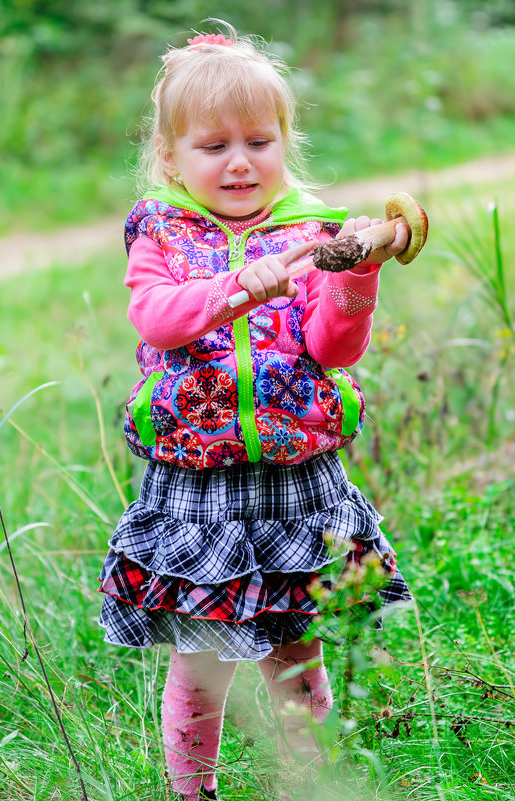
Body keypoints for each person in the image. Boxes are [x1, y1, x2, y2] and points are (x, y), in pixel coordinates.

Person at [97, 23, 412, 801]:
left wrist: (354, 277)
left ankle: (306, 783)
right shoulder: (160, 230)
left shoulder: (309, 231)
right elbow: (160, 320)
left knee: (294, 658)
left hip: (293, 480)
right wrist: (244, 287)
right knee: (201, 664)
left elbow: (331, 348)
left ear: (284, 141)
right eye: (214, 146)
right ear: (172, 156)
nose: (240, 161)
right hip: (196, 485)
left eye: (258, 140)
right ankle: (190, 790)